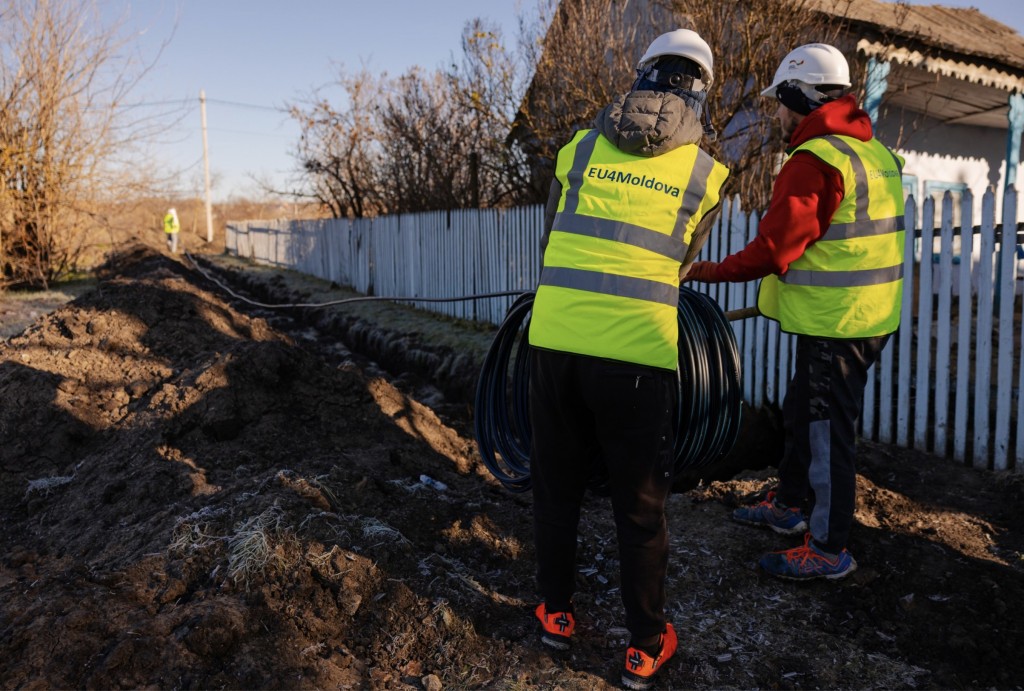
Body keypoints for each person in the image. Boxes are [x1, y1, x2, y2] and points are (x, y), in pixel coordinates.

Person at [527, 28, 729, 690]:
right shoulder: (705, 172)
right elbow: (682, 259)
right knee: (639, 507)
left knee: (556, 485)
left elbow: (555, 230)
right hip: (636, 353)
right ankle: (645, 643)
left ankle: (555, 614)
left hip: (556, 342)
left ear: (641, 76)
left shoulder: (579, 148)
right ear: (700, 88)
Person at [684, 43, 906, 581]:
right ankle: (789, 503)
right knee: (802, 408)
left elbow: (774, 249)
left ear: (798, 96)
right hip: (866, 314)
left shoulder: (815, 160)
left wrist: (704, 271)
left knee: (827, 430)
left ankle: (828, 546)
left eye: (780, 103)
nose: (777, 115)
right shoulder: (871, 152)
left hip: (840, 322)